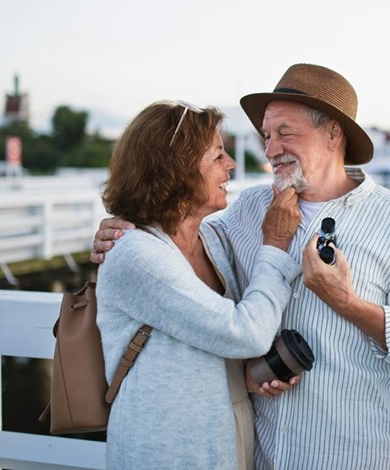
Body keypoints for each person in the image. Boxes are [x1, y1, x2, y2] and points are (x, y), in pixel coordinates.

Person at [92, 64, 390, 469]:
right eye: (266, 136)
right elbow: (174, 240)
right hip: (258, 456)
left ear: (333, 133)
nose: (270, 150)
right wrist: (122, 227)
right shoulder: (247, 210)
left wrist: (348, 303)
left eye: (285, 133)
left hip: (352, 457)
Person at [95, 99, 302, 469]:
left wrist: (252, 373)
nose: (232, 165)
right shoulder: (136, 255)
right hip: (168, 447)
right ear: (177, 169)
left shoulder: (211, 240)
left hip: (226, 427)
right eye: (218, 156)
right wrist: (274, 246)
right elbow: (245, 332)